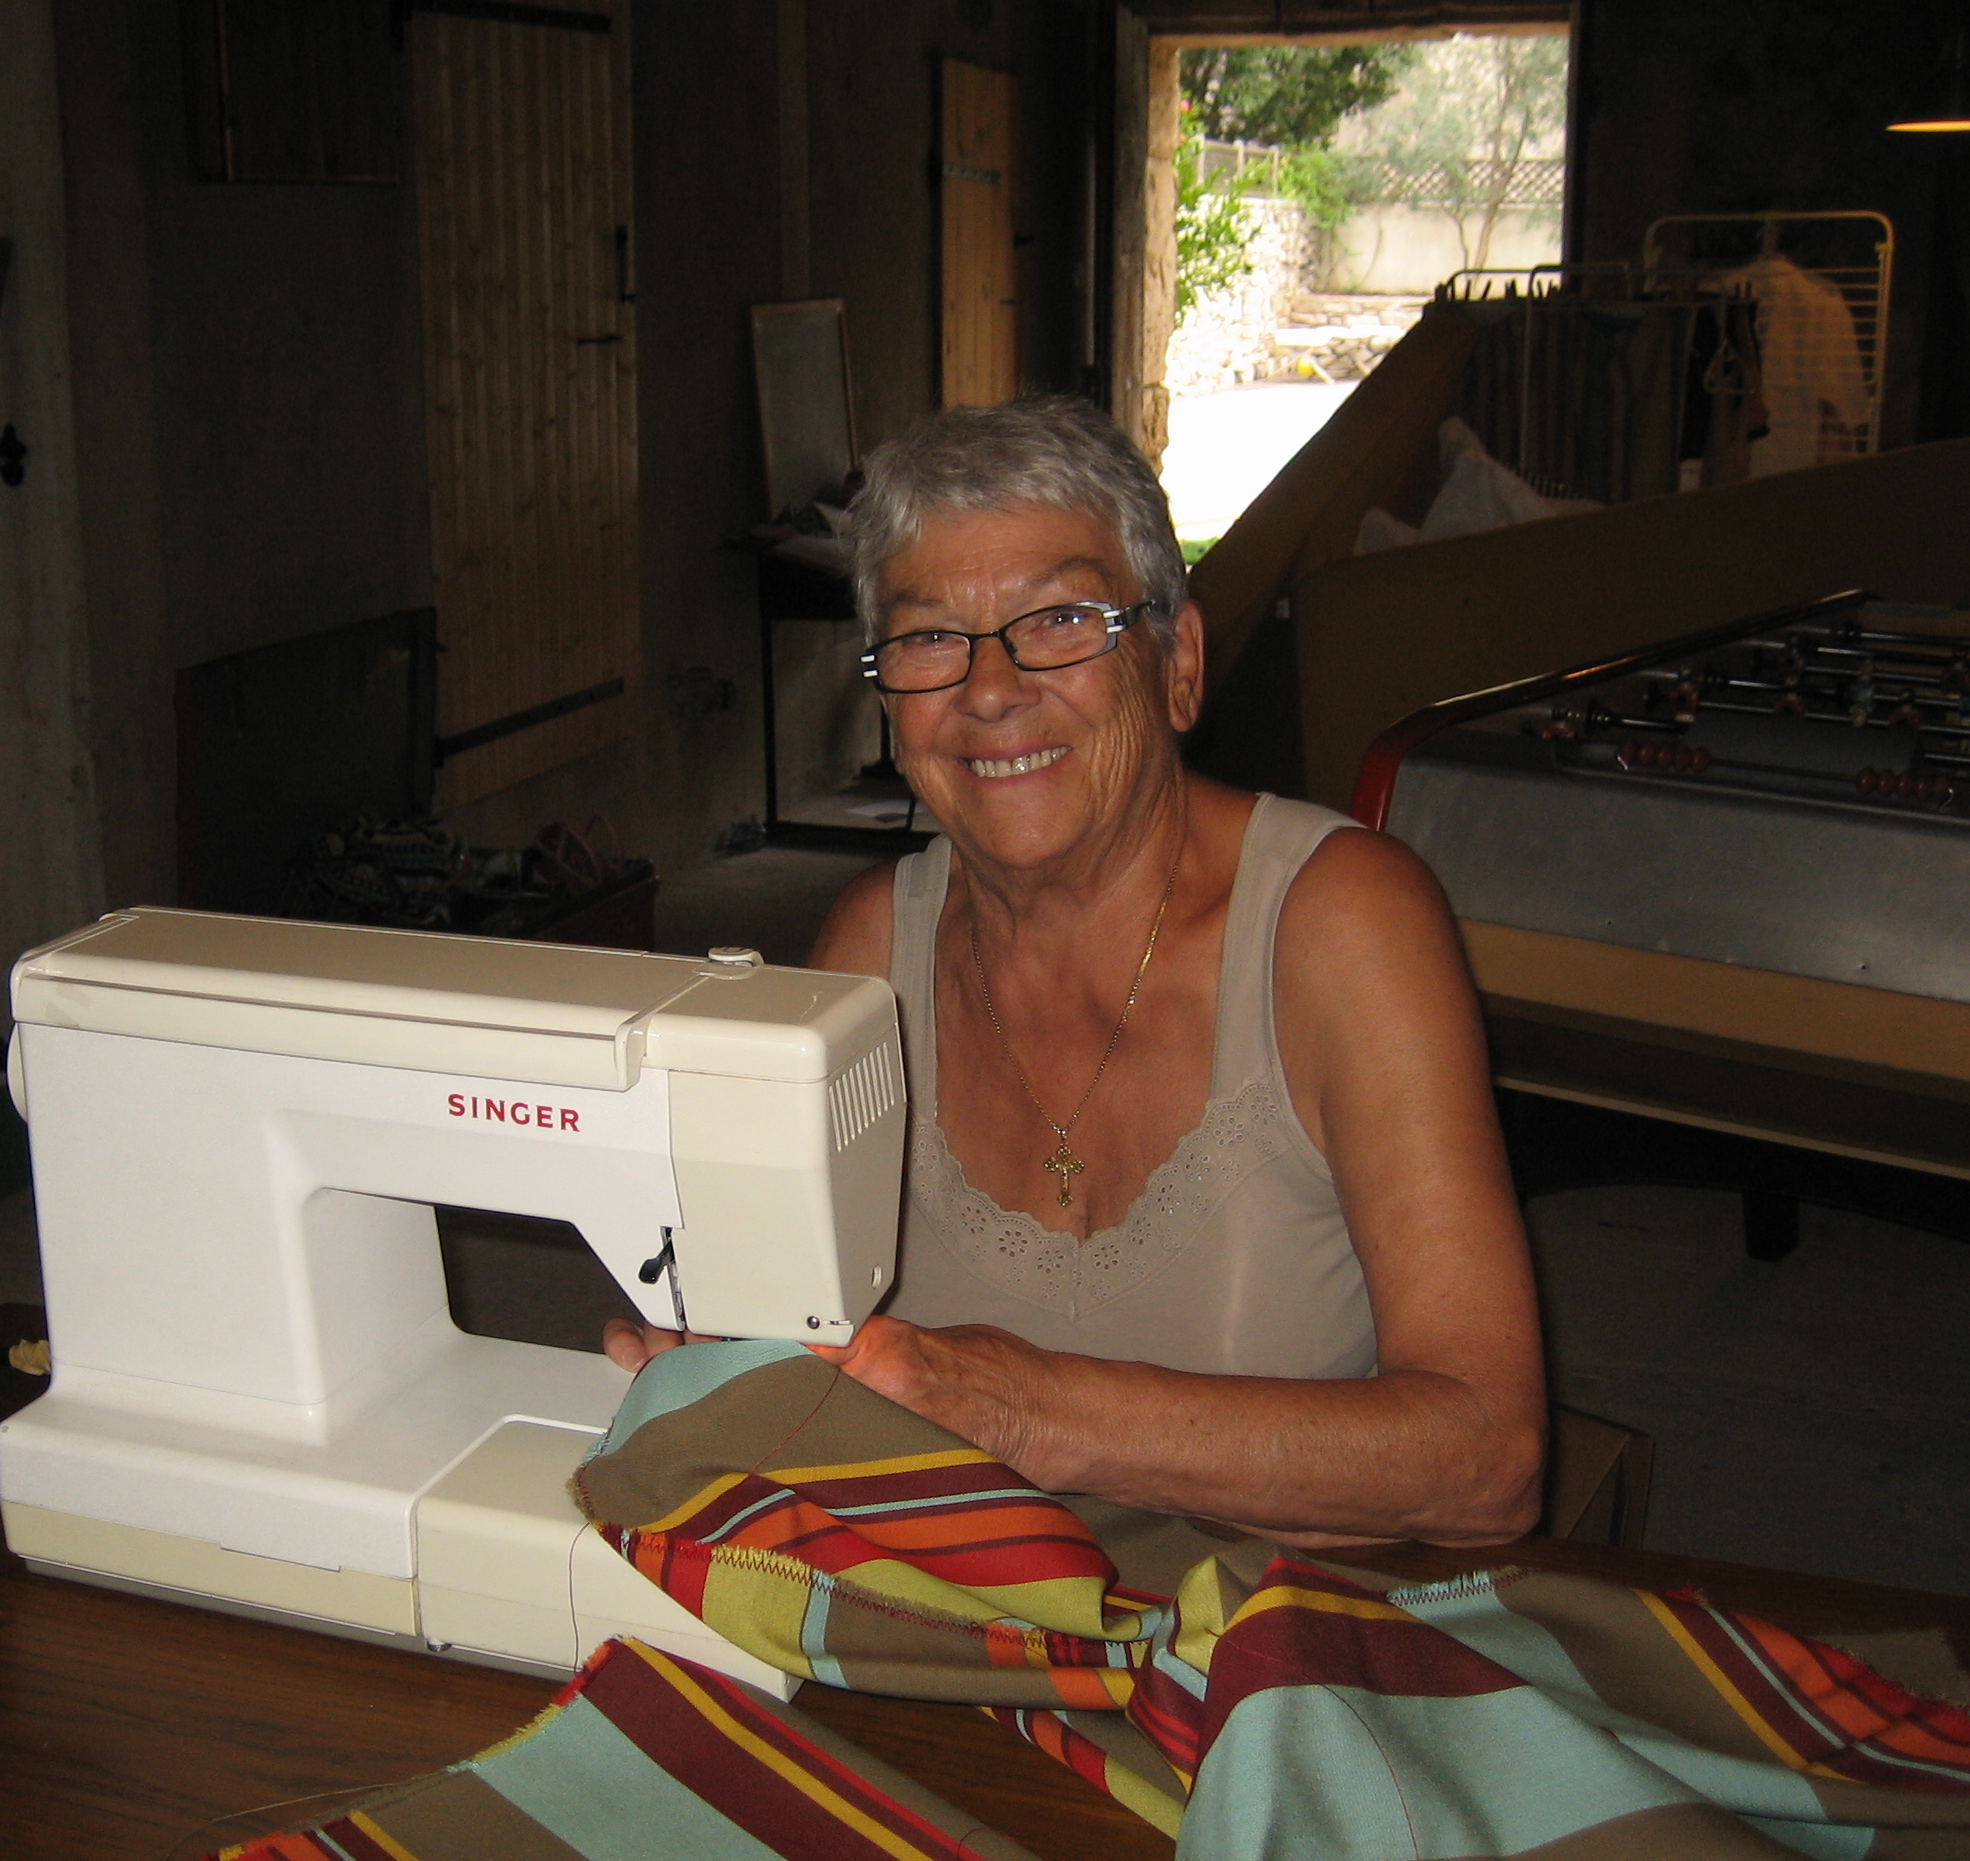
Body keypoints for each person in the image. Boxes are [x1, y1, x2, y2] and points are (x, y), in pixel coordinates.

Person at [608, 396, 1543, 1550]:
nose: (990, 690)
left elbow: (1488, 1461)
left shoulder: (1342, 927)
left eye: (1060, 620)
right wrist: (728, 1367)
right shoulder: (870, 956)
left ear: (1178, 664)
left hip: (1282, 1629)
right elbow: (799, 1351)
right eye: (930, 640)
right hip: (965, 1608)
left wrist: (1016, 1410)